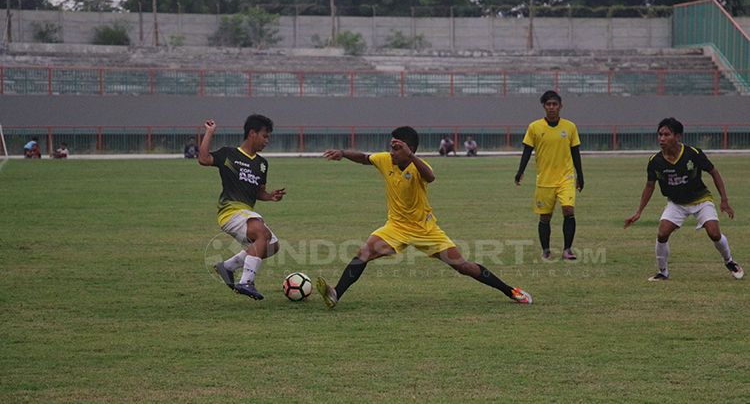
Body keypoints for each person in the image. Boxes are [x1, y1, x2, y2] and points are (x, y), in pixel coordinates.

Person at [316, 126, 532, 308]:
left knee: (462, 266)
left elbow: (431, 176)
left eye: (397, 148)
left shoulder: (419, 167)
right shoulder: (385, 160)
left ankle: (510, 291)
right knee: (364, 252)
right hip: (396, 228)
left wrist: (410, 156)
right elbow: (364, 158)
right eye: (391, 147)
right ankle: (335, 293)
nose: (392, 152)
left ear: (410, 149)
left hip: (426, 230)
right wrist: (343, 153)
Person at [624, 118, 743, 281]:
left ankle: (730, 262)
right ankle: (663, 272)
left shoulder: (693, 154)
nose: (662, 138)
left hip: (701, 200)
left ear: (678, 136)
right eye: (660, 134)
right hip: (676, 204)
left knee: (714, 234)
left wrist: (724, 200)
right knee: (662, 234)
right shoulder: (655, 161)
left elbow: (714, 172)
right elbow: (649, 186)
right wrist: (639, 212)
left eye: (666, 134)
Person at [198, 114, 287, 300]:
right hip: (229, 212)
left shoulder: (262, 164)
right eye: (265, 136)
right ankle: (247, 281)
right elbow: (203, 158)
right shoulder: (229, 154)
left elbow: (258, 193)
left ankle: (227, 267)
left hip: (245, 211)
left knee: (272, 245)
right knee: (262, 234)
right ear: (252, 133)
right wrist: (209, 132)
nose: (267, 141)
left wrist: (270, 196)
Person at [515, 90, 583, 260]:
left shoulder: (570, 127)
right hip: (545, 180)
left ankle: (567, 249)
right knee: (545, 216)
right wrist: (520, 171)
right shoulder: (534, 127)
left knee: (568, 209)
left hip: (566, 178)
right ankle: (546, 250)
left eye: (555, 104)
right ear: (544, 106)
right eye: (548, 104)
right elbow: (527, 151)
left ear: (560, 106)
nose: (552, 107)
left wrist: (580, 175)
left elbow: (575, 153)